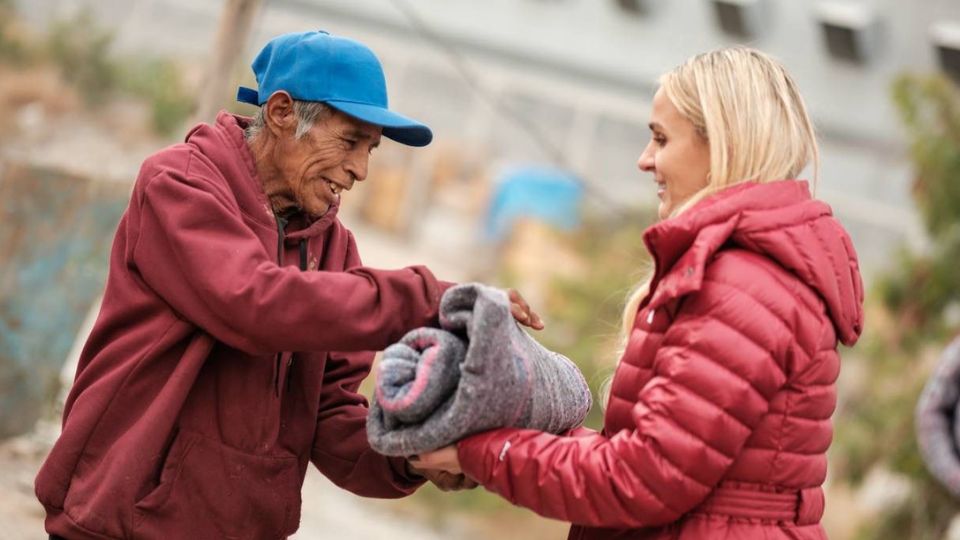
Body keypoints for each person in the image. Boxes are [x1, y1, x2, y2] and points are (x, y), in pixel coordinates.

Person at [34, 30, 541, 540]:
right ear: (280, 113)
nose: (361, 170)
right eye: (349, 141)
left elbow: (332, 412)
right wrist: (427, 298)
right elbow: (255, 303)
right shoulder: (179, 185)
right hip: (120, 521)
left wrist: (413, 456)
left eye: (371, 150)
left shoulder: (335, 250)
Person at [412, 46, 865, 539]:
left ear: (723, 145)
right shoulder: (743, 273)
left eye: (661, 139)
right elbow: (652, 458)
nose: (644, 160)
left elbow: (641, 479)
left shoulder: (742, 287)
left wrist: (486, 453)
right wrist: (504, 435)